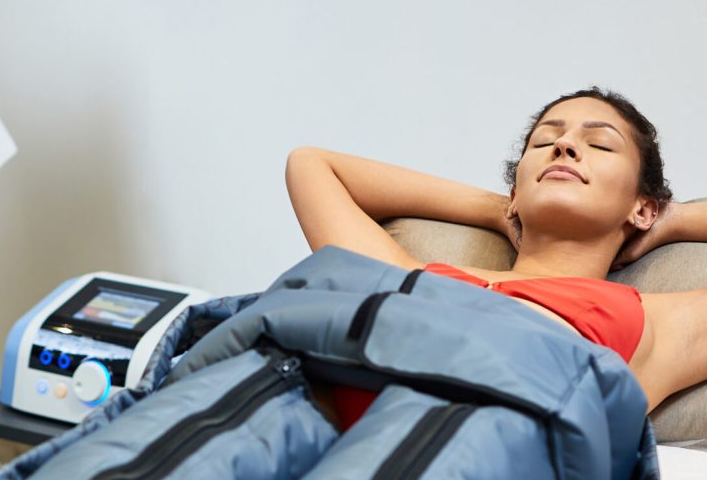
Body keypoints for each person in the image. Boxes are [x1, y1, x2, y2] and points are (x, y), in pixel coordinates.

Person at [285, 88, 707, 414]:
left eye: (600, 145)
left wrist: (671, 218)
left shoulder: (656, 326)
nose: (564, 147)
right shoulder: (408, 274)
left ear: (642, 207)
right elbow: (311, 165)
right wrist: (497, 208)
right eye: (544, 142)